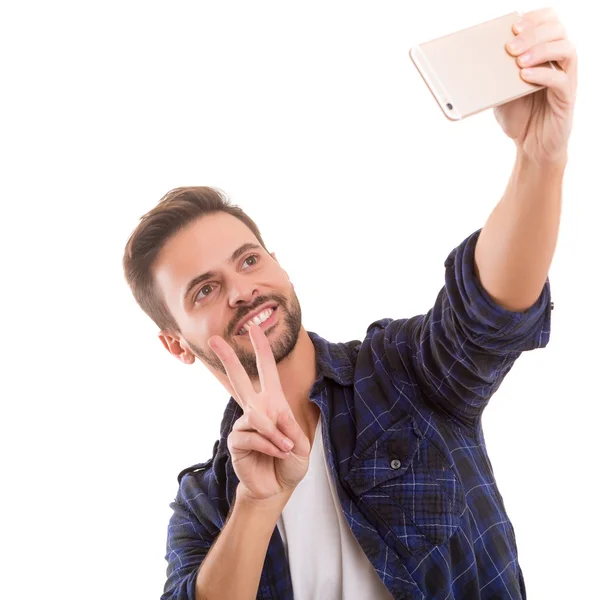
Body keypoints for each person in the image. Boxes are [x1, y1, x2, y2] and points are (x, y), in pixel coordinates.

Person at [122, 8, 576, 600]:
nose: (242, 289)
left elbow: (488, 313)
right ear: (175, 343)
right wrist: (258, 505)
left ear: (279, 265)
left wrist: (539, 159)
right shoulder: (207, 504)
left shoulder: (400, 372)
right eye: (204, 289)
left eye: (249, 260)